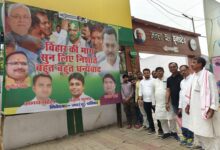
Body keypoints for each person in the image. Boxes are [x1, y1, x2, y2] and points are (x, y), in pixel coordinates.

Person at [185, 57, 220, 150]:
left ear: (200, 64)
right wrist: (188, 105)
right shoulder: (193, 76)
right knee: (199, 132)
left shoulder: (208, 75)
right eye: (191, 62)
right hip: (195, 111)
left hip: (206, 110)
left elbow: (214, 93)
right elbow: (191, 93)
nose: (191, 64)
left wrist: (212, 108)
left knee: (209, 133)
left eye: (194, 62)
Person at [153, 67, 176, 139]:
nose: (159, 72)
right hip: (159, 103)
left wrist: (168, 102)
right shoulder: (154, 82)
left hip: (168, 102)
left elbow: (170, 90)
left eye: (161, 71)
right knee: (162, 118)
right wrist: (153, 103)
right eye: (158, 71)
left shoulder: (168, 79)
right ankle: (166, 132)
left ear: (163, 72)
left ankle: (173, 131)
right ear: (155, 73)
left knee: (171, 117)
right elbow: (152, 93)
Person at [165, 62, 183, 140]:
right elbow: (168, 91)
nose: (172, 68)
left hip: (184, 103)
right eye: (170, 67)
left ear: (177, 67)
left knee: (187, 119)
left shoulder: (182, 76)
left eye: (174, 66)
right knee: (180, 119)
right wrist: (167, 102)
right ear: (169, 69)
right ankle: (186, 135)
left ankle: (191, 136)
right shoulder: (169, 79)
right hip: (175, 103)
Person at [178, 65, 194, 147]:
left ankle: (191, 138)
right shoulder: (182, 82)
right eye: (181, 71)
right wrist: (180, 107)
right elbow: (181, 95)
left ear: (188, 69)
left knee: (191, 122)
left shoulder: (193, 79)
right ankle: (185, 137)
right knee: (184, 122)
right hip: (183, 106)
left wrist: (190, 105)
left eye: (184, 70)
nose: (183, 72)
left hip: (191, 105)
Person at [138, 68, 156, 134]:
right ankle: (152, 129)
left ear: (150, 73)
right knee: (149, 116)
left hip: (154, 101)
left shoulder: (154, 80)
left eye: (147, 73)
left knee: (158, 115)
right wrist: (140, 99)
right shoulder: (141, 82)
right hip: (146, 101)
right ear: (143, 74)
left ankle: (161, 130)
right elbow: (140, 91)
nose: (146, 74)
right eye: (145, 73)